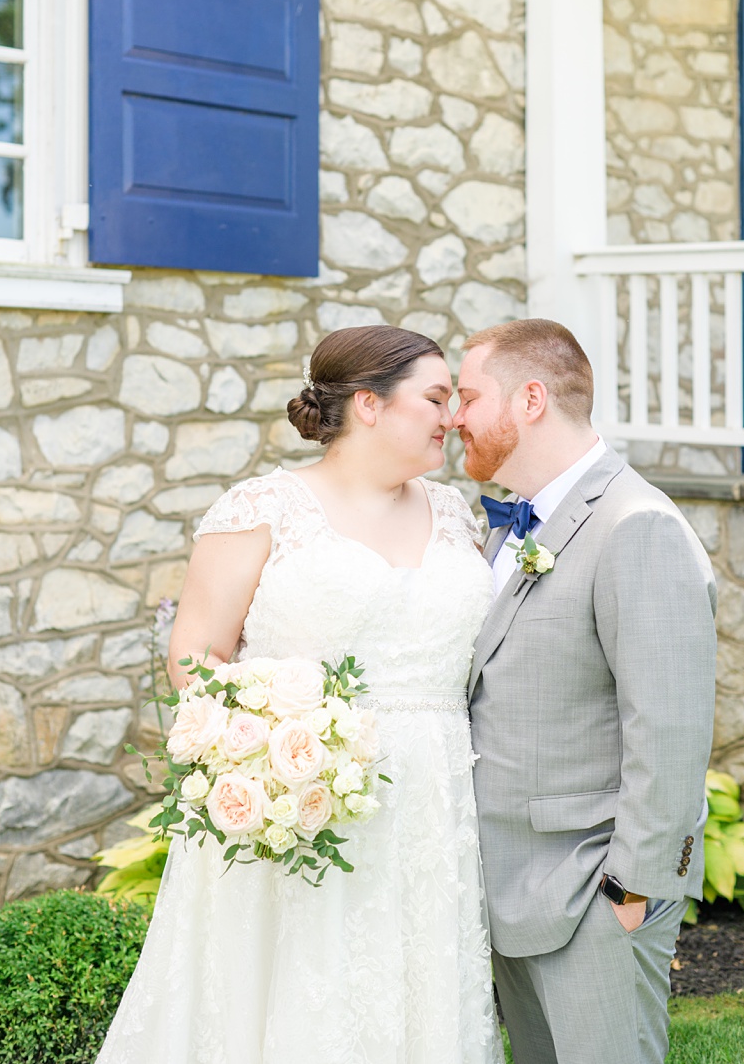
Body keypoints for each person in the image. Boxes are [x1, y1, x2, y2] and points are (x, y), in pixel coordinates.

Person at [99, 325, 500, 1064]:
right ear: (370, 405)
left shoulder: (456, 514)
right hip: (301, 797)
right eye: (437, 397)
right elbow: (195, 655)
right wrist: (272, 746)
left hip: (431, 804)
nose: (452, 416)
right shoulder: (261, 508)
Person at [455, 319, 715, 1064]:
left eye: (469, 395)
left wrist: (632, 892)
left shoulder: (637, 526)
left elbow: (668, 725)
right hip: (510, 888)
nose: (453, 415)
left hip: (592, 894)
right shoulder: (509, 527)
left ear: (530, 398)